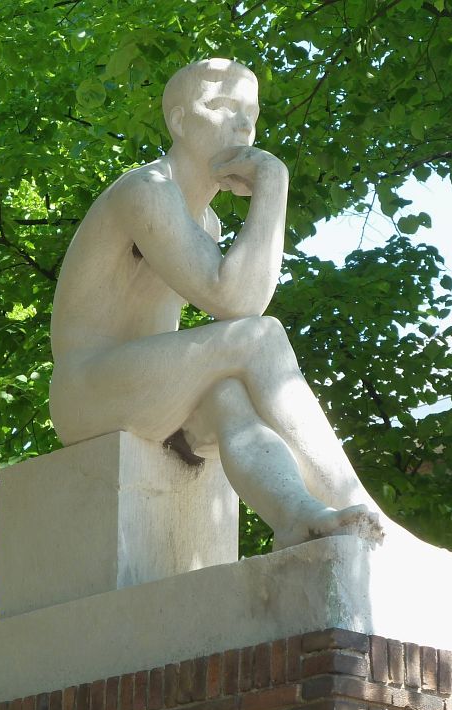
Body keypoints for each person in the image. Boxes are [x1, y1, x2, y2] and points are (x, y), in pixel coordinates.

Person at [49, 58, 410, 550]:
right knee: (259, 338)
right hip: (87, 388)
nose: (243, 124)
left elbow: (239, 298)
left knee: (228, 397)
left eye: (251, 113)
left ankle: (298, 515)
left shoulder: (209, 224)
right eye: (222, 106)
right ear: (179, 121)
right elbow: (239, 304)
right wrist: (272, 186)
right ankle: (367, 511)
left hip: (147, 387)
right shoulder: (146, 190)